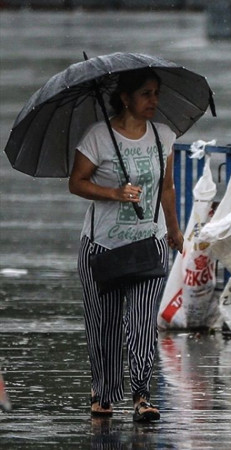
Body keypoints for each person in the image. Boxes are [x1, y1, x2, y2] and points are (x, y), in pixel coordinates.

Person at [68, 68, 184, 422]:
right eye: (146, 94)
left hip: (148, 245)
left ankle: (142, 395)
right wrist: (114, 194)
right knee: (104, 325)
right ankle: (103, 392)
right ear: (125, 98)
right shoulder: (98, 137)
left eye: (156, 94)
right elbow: (76, 182)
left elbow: (167, 188)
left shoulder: (163, 136)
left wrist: (174, 231)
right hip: (102, 248)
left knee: (142, 322)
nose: (154, 101)